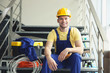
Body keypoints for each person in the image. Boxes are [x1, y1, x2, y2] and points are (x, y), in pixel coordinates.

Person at [41, 8, 84, 73]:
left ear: (69, 20)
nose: (64, 21)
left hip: (71, 60)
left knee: (77, 56)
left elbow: (81, 50)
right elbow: (47, 48)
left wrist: (68, 50)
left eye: (66, 18)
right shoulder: (53, 33)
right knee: (47, 58)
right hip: (58, 60)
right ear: (58, 20)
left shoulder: (74, 31)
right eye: (61, 19)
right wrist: (49, 57)